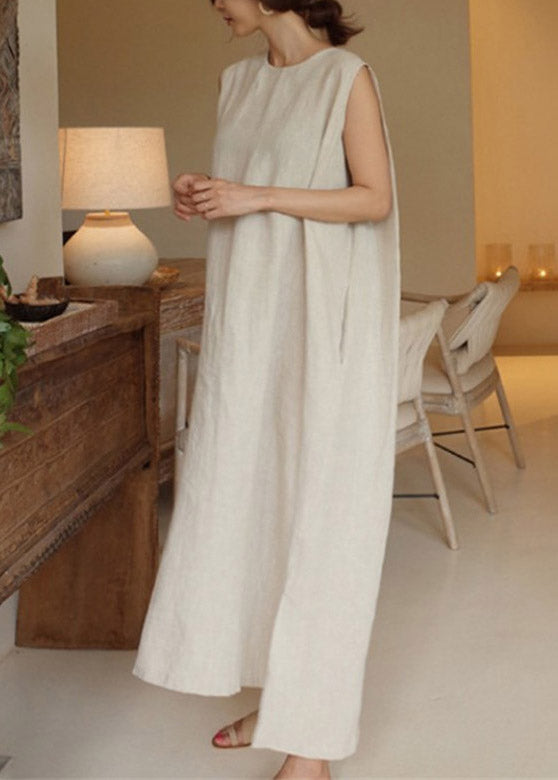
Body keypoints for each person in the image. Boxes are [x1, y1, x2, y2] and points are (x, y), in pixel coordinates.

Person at [132, 1, 400, 778]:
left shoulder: (345, 77)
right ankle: (283, 699)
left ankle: (311, 746)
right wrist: (205, 193)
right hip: (253, 324)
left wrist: (257, 196)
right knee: (257, 507)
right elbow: (247, 190)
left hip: (323, 323)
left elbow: (373, 198)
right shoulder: (237, 82)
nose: (214, 2)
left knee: (324, 521)